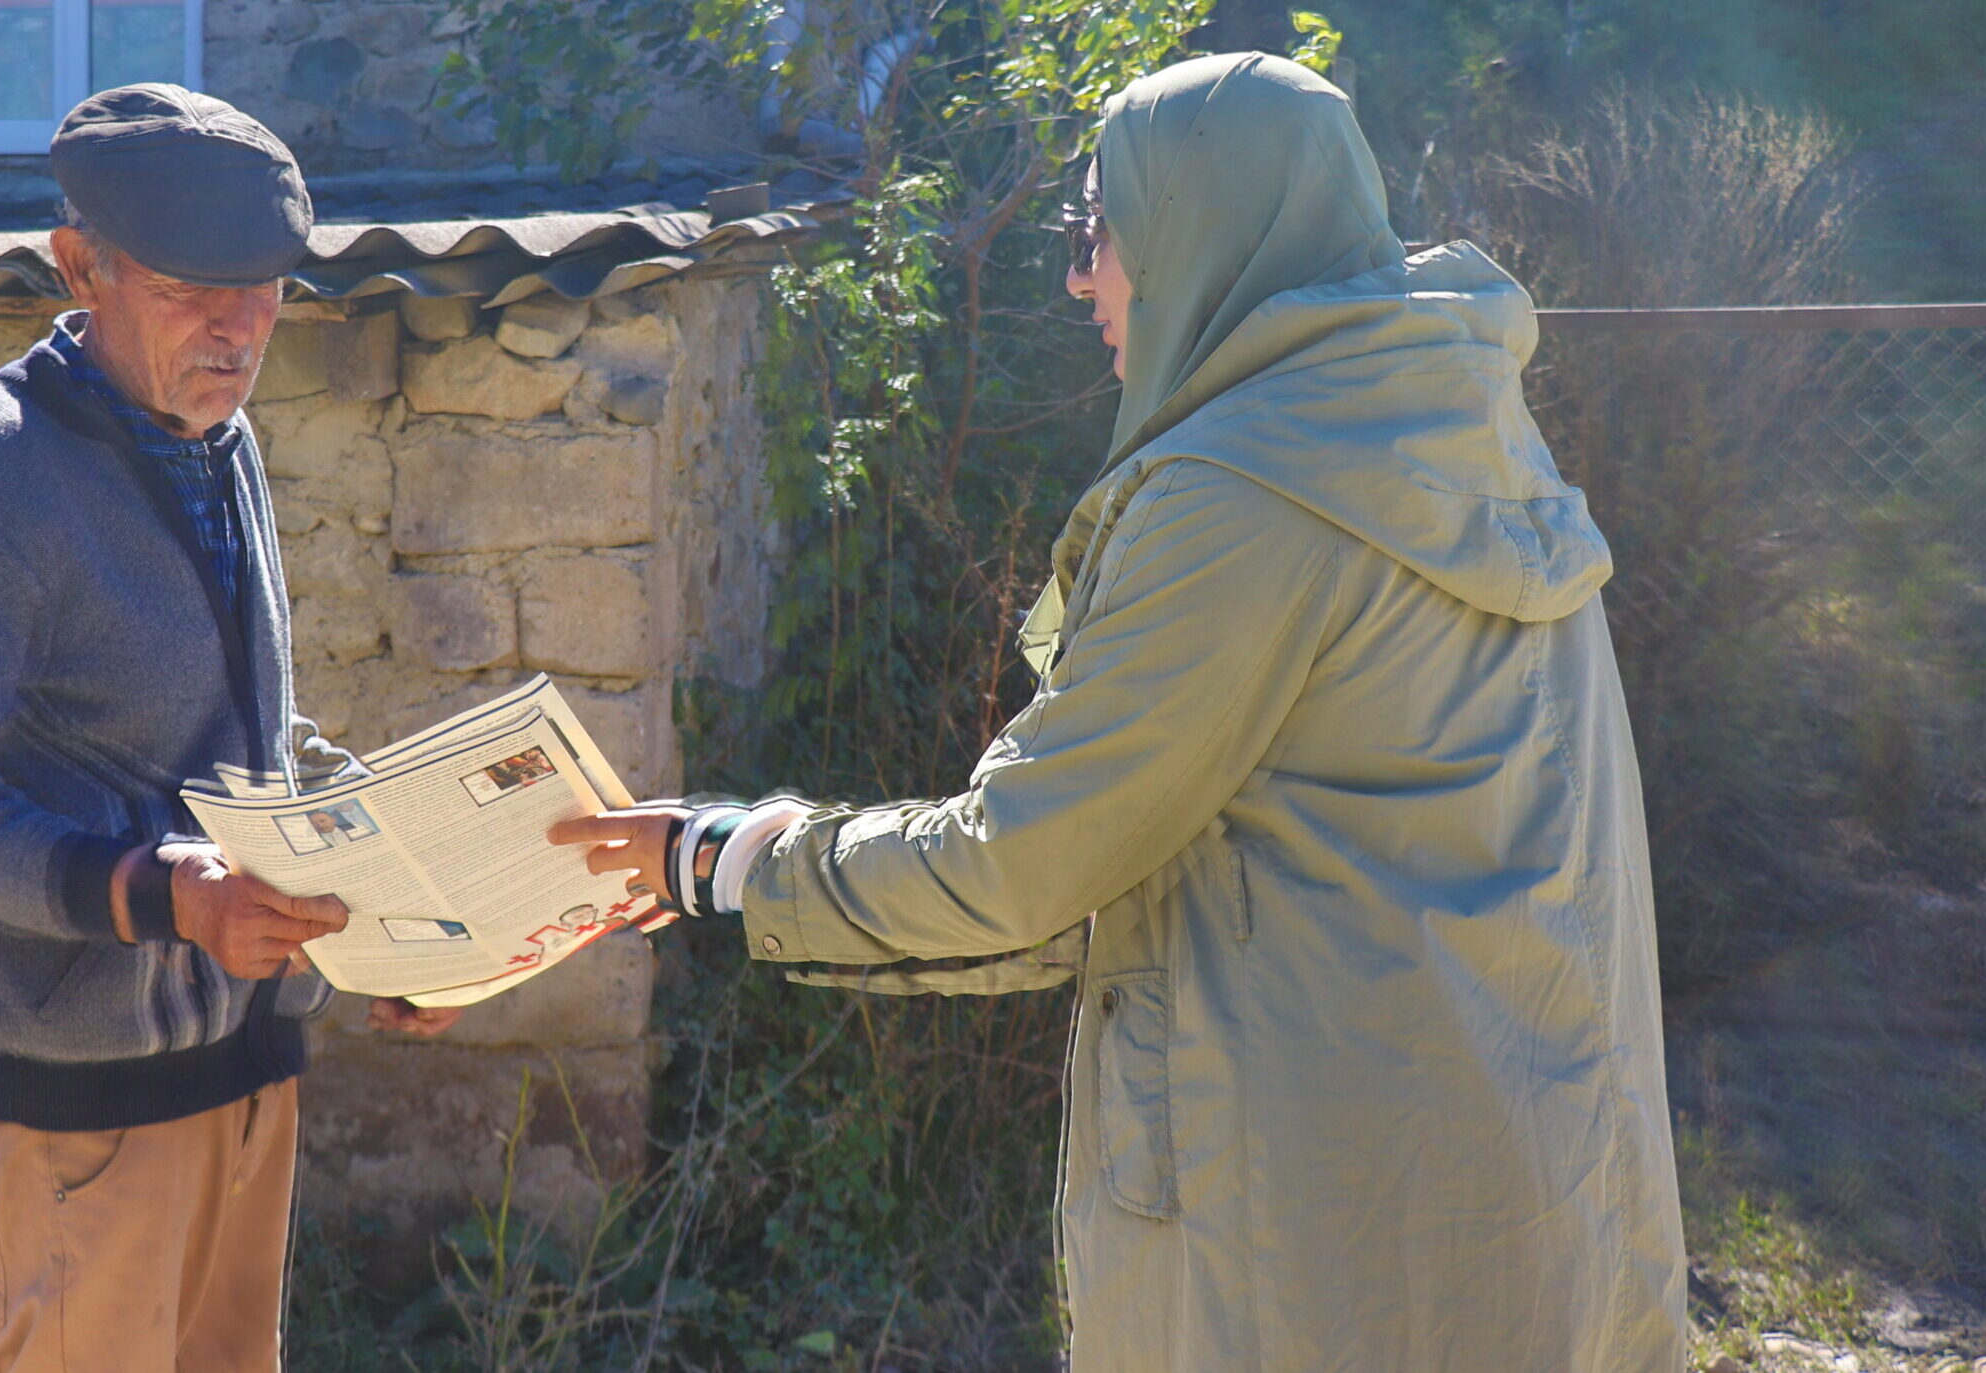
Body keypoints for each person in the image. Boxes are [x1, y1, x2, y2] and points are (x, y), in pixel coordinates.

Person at [554, 53, 1685, 1371]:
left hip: (1321, 1250)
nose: (1081, 276)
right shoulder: (1455, 423)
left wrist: (720, 859)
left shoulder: (1243, 492)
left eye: (1099, 232)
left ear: (1202, 228)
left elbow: (1026, 864)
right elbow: (1142, 871)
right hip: (1519, 1201)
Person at [0, 84, 456, 1373]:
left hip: (251, 1073)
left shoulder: (215, 441)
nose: (242, 329)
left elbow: (252, 748)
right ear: (83, 266)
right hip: (83, 1116)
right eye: (195, 286)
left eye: (267, 288)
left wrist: (400, 916)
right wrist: (162, 893)